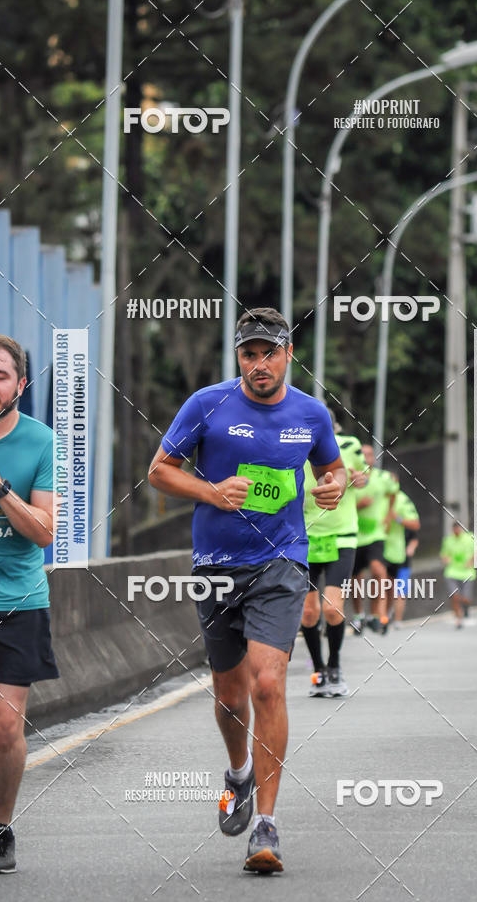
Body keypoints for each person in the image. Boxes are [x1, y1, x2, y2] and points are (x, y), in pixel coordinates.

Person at [148, 308, 345, 873]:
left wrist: (332, 487)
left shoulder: (311, 413)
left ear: (288, 354)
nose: (259, 364)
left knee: (268, 683)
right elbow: (159, 471)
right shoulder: (206, 404)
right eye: (248, 354)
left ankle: (266, 823)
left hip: (281, 562)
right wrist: (211, 492)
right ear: (238, 356)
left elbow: (332, 471)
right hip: (216, 565)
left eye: (269, 353)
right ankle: (238, 774)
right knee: (231, 697)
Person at [0, 334, 57, 874]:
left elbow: (45, 531)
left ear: (20, 385)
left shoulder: (40, 441)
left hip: (16, 602)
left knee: (5, 726)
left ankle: (0, 831)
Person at [301, 426, 367, 697]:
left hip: (341, 536)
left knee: (331, 608)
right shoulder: (293, 446)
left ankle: (335, 665)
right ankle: (318, 670)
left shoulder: (349, 445)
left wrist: (361, 479)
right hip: (305, 539)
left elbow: (363, 475)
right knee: (308, 613)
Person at [350, 447, 397, 635]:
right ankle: (359, 615)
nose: (366, 457)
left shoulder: (383, 478)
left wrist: (389, 515)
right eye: (362, 454)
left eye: (369, 454)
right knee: (356, 580)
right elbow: (339, 502)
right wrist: (358, 505)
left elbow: (393, 493)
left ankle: (378, 614)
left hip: (376, 535)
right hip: (355, 536)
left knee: (378, 571)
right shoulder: (351, 478)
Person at [382, 482, 420, 628]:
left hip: (403, 559)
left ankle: (397, 620)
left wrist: (411, 548)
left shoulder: (406, 520)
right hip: (386, 555)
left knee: (401, 591)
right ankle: (385, 617)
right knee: (386, 588)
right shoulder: (381, 507)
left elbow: (415, 537)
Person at [440, 522, 476, 629]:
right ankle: (458, 619)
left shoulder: (470, 538)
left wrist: (471, 561)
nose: (457, 531)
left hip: (467, 573)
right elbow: (443, 554)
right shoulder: (448, 540)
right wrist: (445, 559)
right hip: (452, 572)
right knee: (455, 596)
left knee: (466, 598)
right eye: (455, 529)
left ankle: (466, 607)